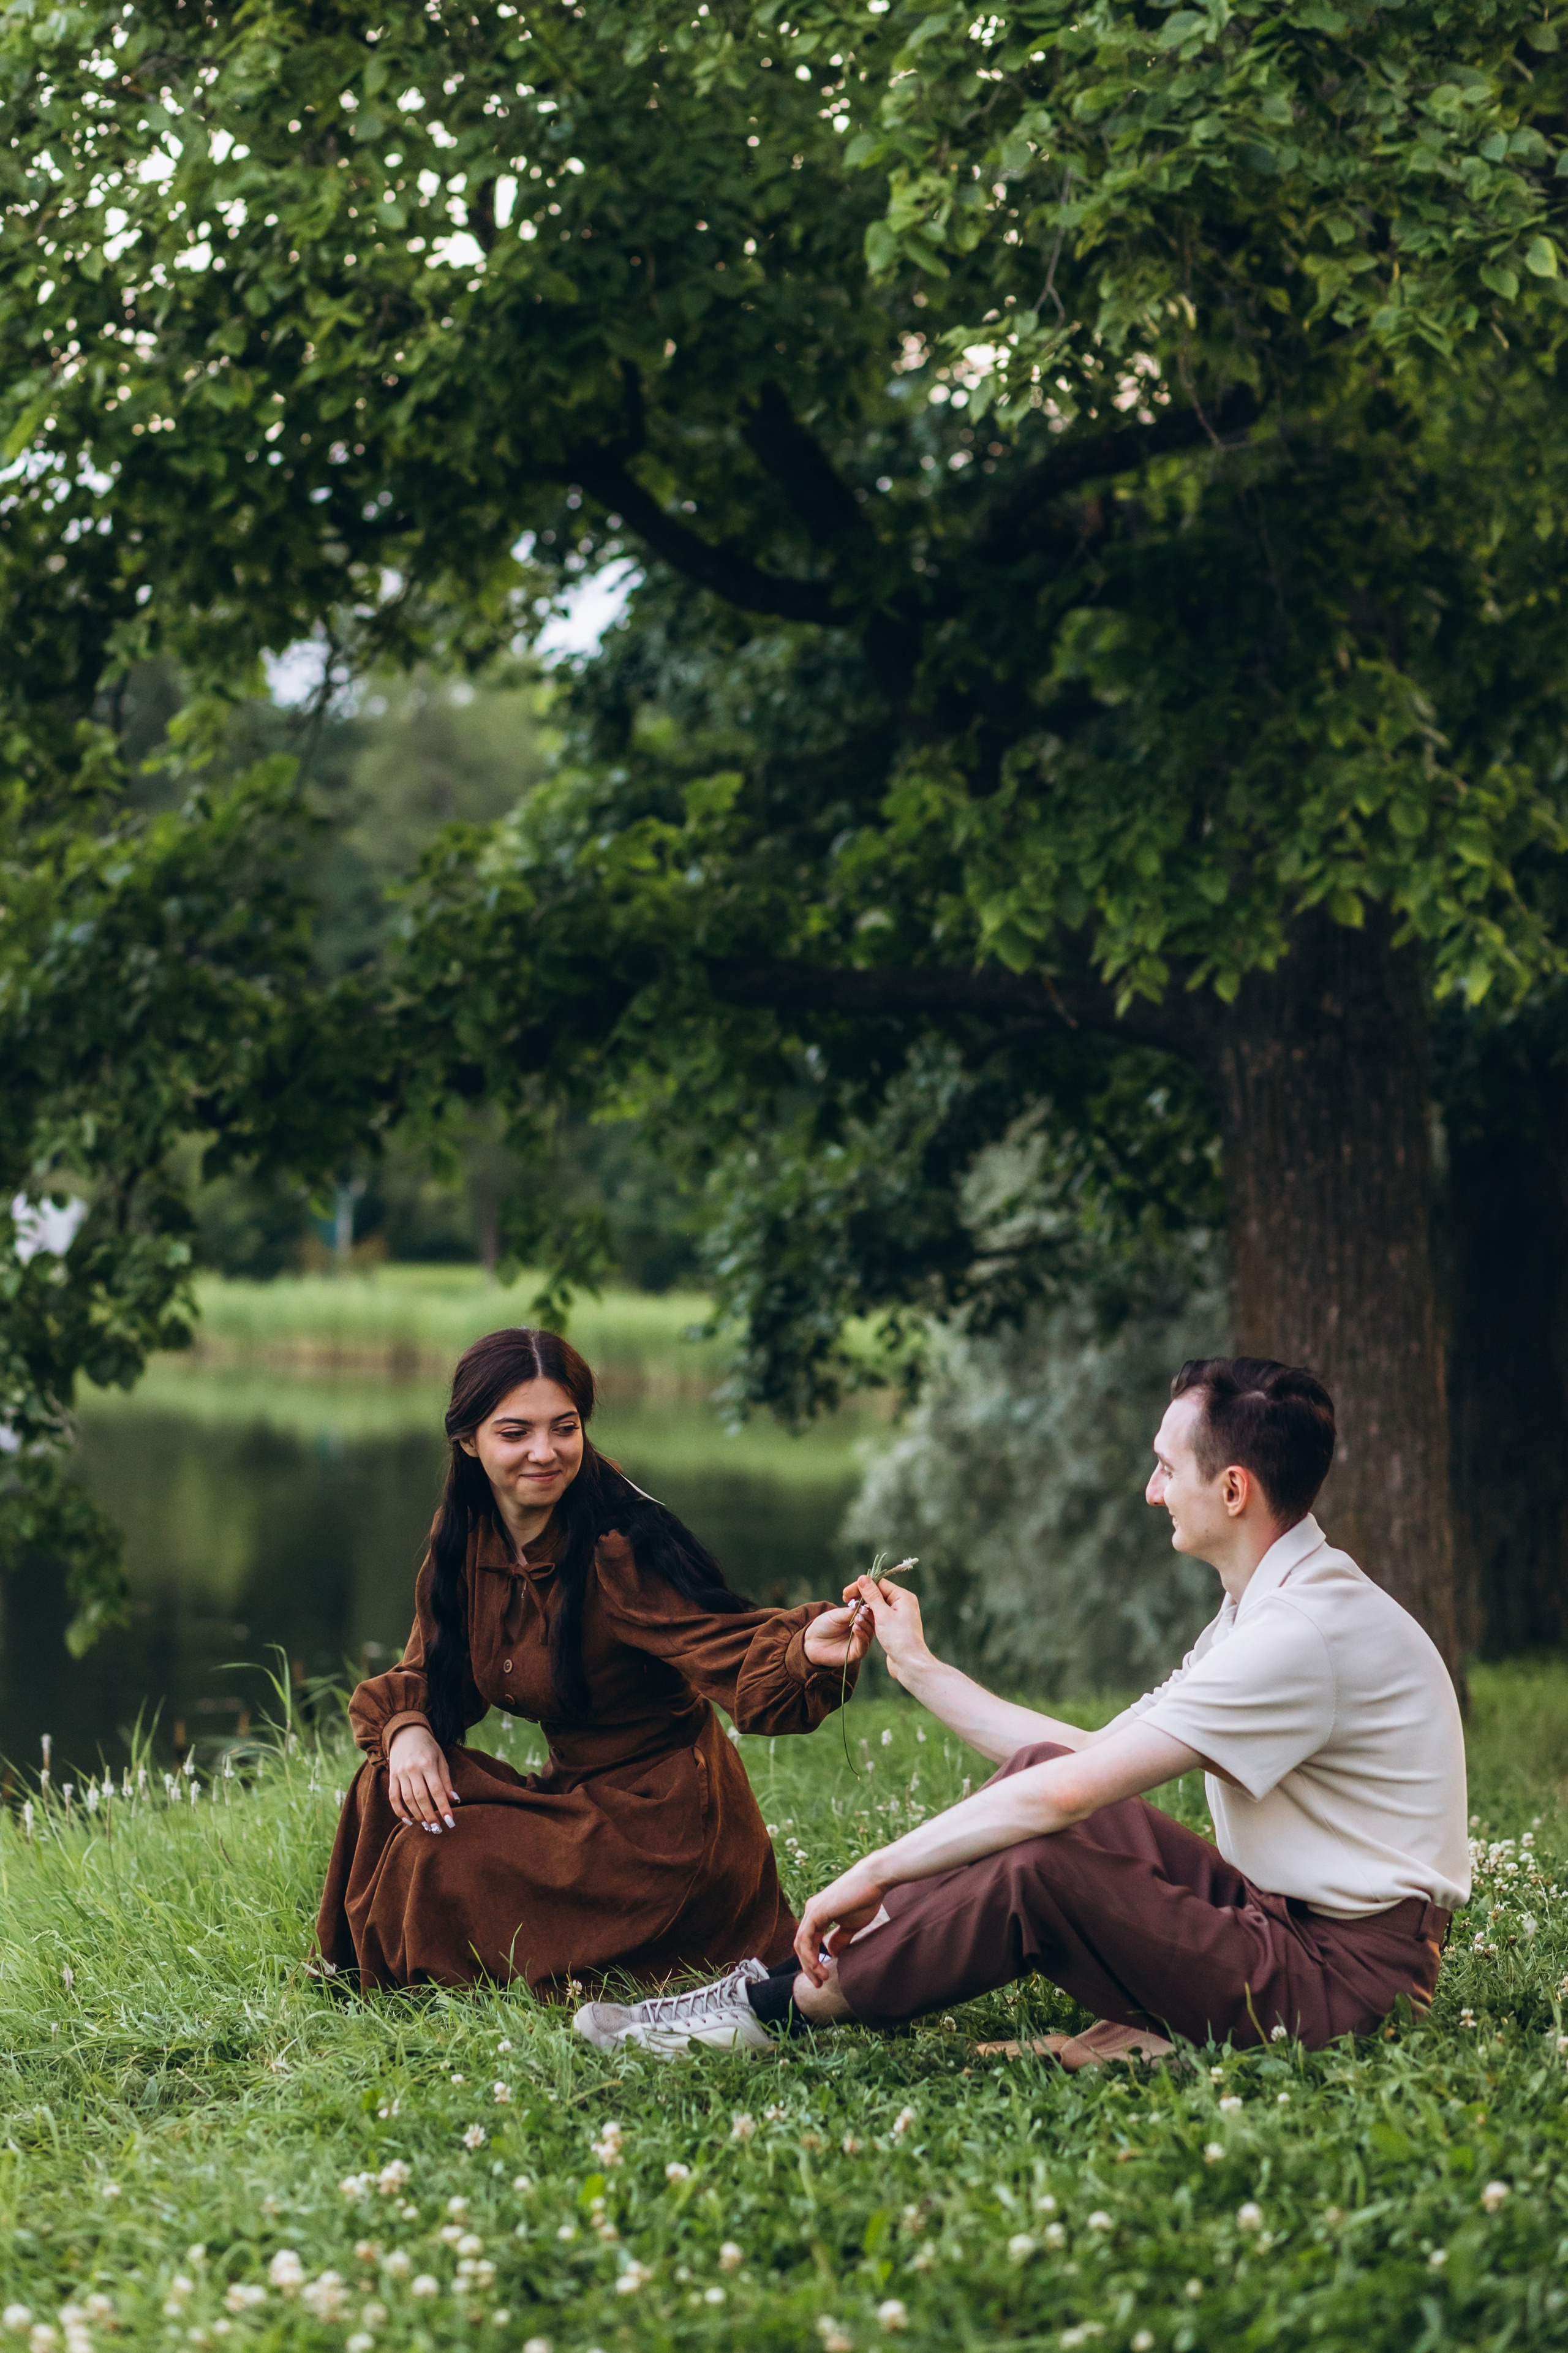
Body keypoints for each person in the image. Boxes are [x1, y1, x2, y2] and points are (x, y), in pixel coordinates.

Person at [575, 1358, 1469, 2060]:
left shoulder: (1298, 1634)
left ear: (1232, 1490)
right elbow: (1083, 1760)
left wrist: (875, 1871)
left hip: (1342, 1982)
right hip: (1276, 1924)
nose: (1152, 1489)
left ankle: (776, 2009)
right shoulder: (1270, 1606)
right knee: (1043, 1775)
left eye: (1166, 1469)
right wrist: (919, 1667)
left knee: (1039, 1868)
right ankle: (777, 1983)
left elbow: (1067, 1802)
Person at [316, 1326, 871, 1990]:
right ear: (467, 1439)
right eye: (515, 1432)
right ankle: (356, 1970)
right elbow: (433, 1674)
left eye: (565, 1427)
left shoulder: (619, 1547)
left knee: (443, 1856)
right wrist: (408, 1729)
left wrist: (805, 1648)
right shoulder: (468, 1536)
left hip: (662, 1833)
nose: (545, 1452)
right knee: (389, 1784)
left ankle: (429, 1981)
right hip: (575, 1801)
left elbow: (726, 1640)